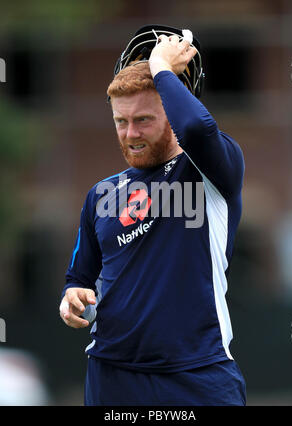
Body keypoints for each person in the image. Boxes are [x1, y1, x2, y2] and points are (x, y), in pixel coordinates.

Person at [59, 25, 246, 406]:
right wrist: (70, 297)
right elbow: (79, 276)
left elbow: (195, 127)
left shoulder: (212, 170)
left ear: (171, 114)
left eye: (143, 119)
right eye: (120, 121)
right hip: (112, 377)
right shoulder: (101, 194)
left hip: (197, 376)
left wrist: (160, 66)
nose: (130, 133)